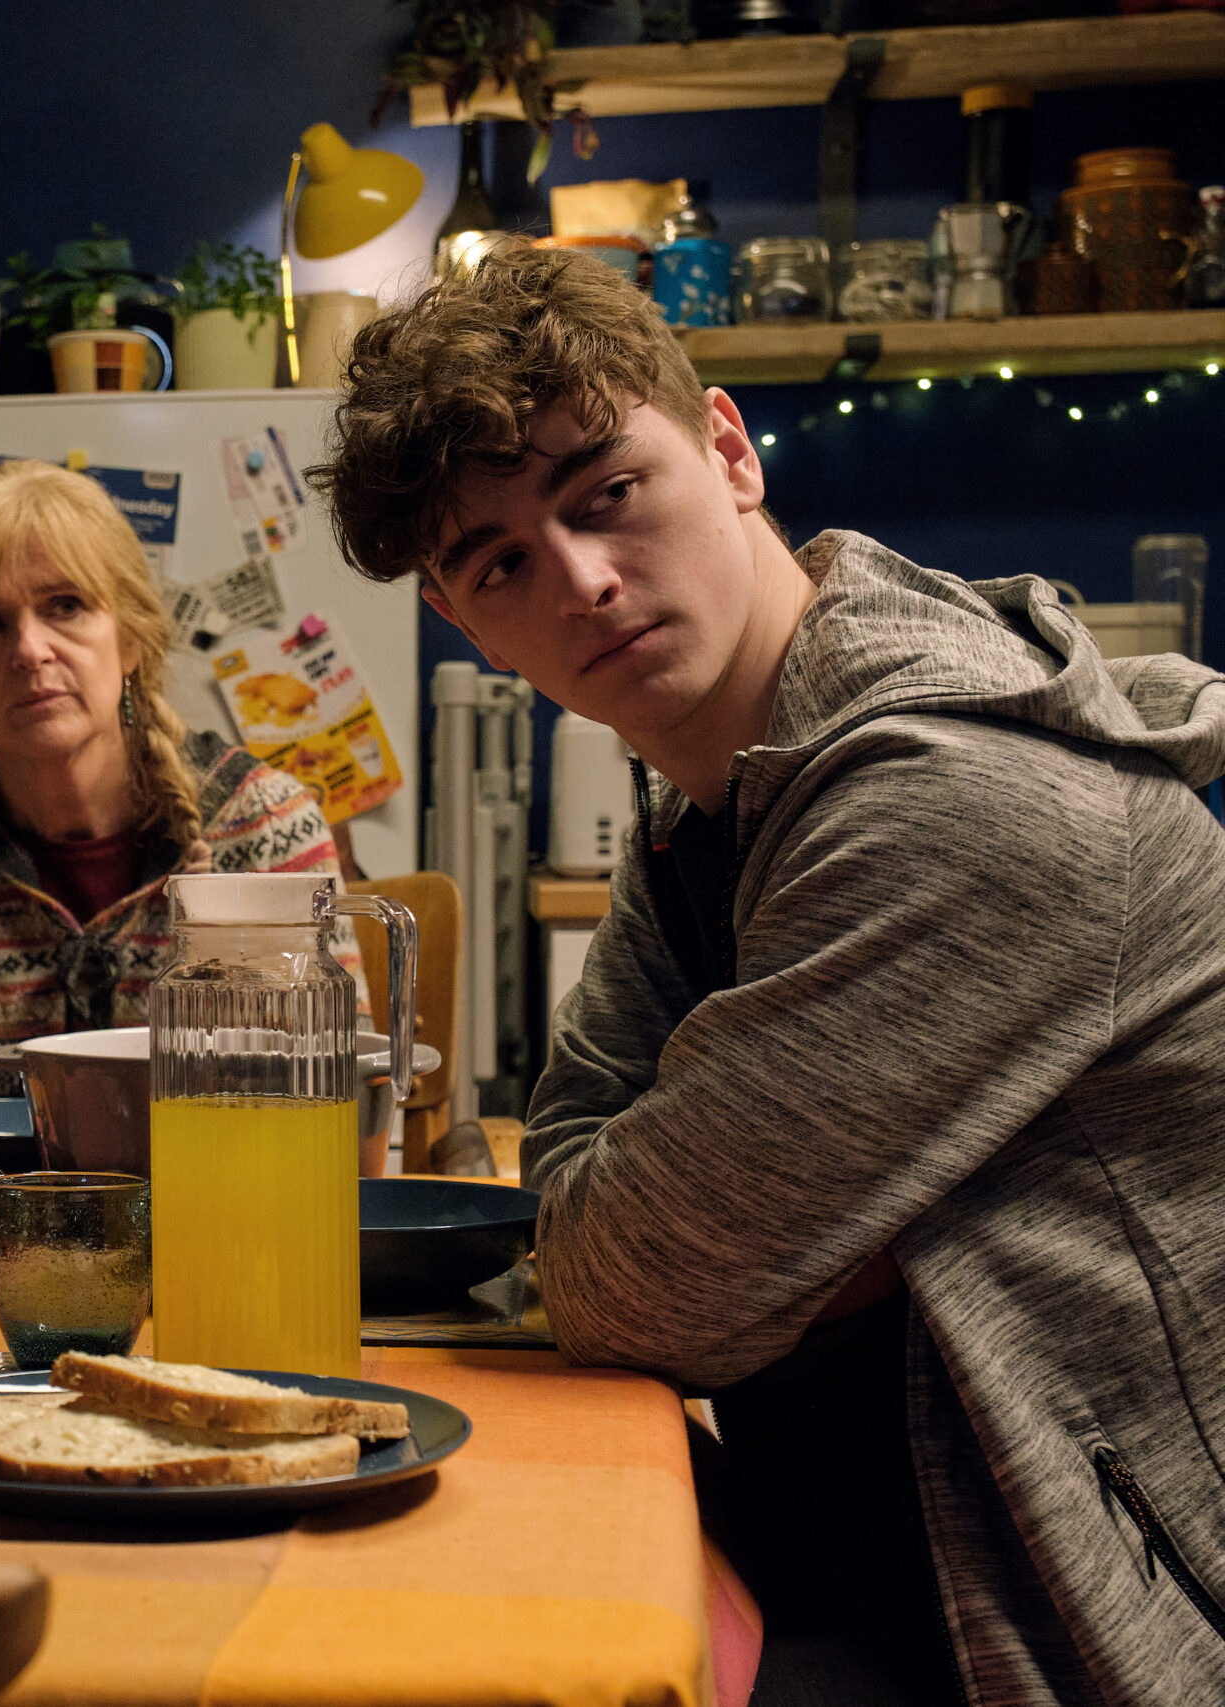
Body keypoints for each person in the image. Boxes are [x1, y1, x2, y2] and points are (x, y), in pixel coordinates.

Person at [310, 246, 1225, 1704]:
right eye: (502, 564)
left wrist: (740, 1245)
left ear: (728, 450)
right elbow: (569, 1167)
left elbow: (629, 1285)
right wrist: (798, 1243)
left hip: (1076, 1623)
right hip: (892, 1534)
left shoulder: (957, 797)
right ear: (463, 620)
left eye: (606, 492)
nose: (585, 581)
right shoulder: (708, 806)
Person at [0, 459, 354, 1108]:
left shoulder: (267, 825)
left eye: (66, 605)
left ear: (132, 637)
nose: (30, 650)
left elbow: (341, 1109)